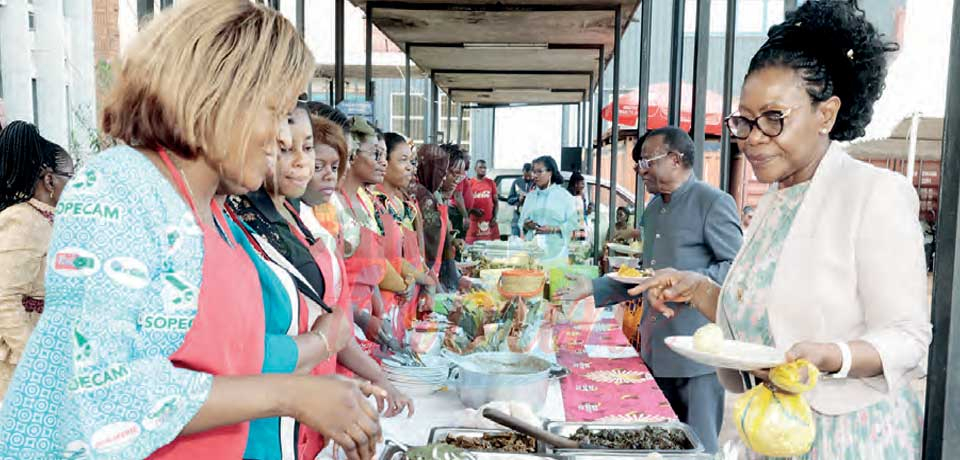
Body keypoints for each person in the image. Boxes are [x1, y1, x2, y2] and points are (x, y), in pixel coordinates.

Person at [0, 3, 383, 459]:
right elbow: (99, 392)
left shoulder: (214, 211)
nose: (282, 139)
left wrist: (323, 391)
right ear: (218, 98)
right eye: (275, 111)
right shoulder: (119, 186)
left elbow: (225, 360)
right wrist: (293, 395)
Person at [630, 2, 929, 458]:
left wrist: (836, 356)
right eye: (745, 121)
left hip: (848, 438)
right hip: (774, 432)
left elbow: (909, 339)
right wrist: (698, 289)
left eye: (774, 119)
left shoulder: (874, 194)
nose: (752, 137)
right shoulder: (774, 201)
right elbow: (763, 322)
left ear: (826, 114)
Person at [558, 127, 743, 453]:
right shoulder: (654, 210)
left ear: (675, 159)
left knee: (699, 446)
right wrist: (593, 287)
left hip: (696, 352)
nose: (639, 170)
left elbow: (737, 272)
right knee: (659, 442)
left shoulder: (712, 202)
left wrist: (686, 281)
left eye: (647, 161)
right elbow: (644, 276)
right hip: (655, 347)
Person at [0, 122, 74, 400]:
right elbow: (5, 300)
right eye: (70, 175)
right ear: (49, 180)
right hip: (22, 372)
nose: (74, 183)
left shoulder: (47, 220)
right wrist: (37, 361)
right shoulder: (21, 221)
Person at [411, 144, 466, 292]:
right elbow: (426, 253)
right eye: (452, 173)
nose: (456, 180)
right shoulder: (425, 199)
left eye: (460, 176)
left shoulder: (436, 198)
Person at [519, 156, 579, 264]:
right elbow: (521, 222)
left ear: (550, 172)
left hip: (556, 255)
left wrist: (553, 229)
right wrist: (527, 225)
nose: (535, 176)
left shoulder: (564, 196)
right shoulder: (530, 197)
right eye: (534, 172)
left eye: (539, 172)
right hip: (533, 255)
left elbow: (573, 224)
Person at [466, 159, 499, 243]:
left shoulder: (491, 183)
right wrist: (473, 211)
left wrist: (494, 217)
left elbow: (496, 202)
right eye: (480, 167)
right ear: (475, 168)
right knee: (471, 246)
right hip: (474, 223)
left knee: (490, 247)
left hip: (488, 223)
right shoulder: (469, 183)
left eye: (484, 168)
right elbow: (465, 204)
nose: (483, 170)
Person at [507, 163, 535, 236]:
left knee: (529, 240)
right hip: (518, 214)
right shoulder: (517, 182)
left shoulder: (536, 183)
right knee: (515, 237)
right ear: (523, 172)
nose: (528, 178)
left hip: (531, 216)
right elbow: (509, 200)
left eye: (529, 176)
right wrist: (518, 199)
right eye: (526, 176)